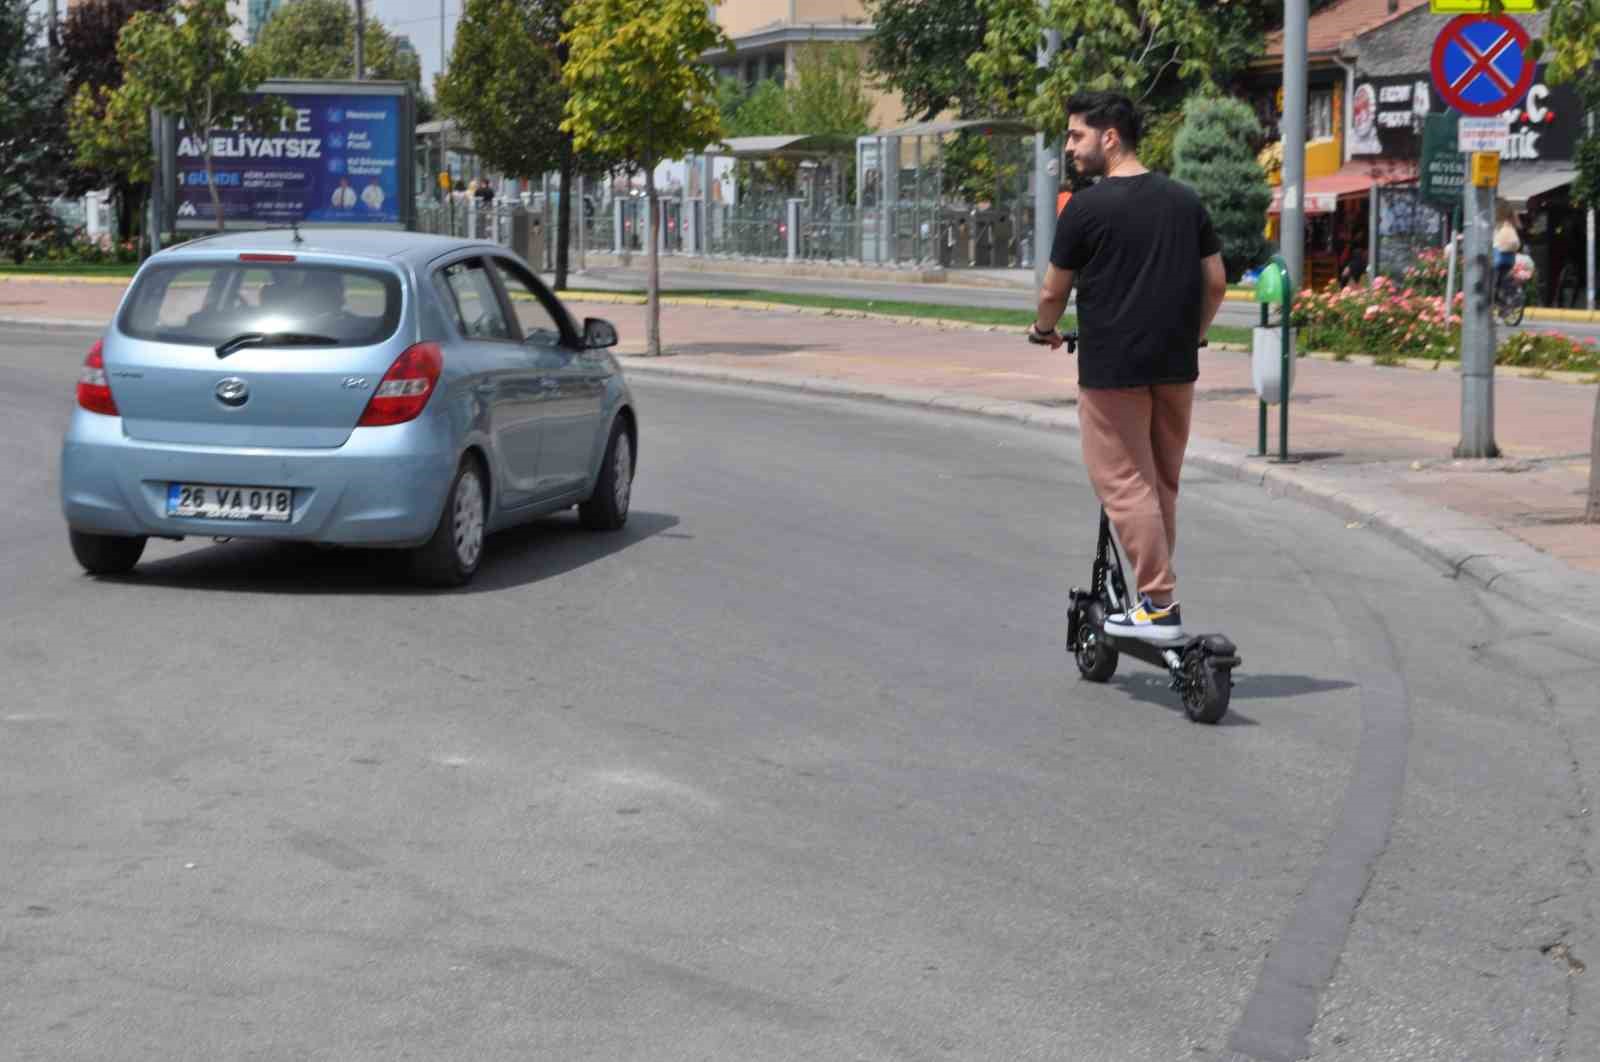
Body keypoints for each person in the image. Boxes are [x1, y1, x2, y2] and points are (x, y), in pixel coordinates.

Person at [1028, 91, 1227, 642]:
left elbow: (1052, 293)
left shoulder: (1085, 209)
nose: (1069, 147)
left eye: (1076, 136)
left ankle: (1159, 603)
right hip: (1176, 363)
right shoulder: (1185, 201)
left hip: (1113, 366)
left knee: (1121, 482)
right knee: (1161, 483)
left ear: (1109, 137)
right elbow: (1215, 283)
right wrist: (1196, 335)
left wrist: (1043, 331)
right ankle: (1152, 596)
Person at [1493, 207, 1521, 299]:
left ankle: (1496, 296)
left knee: (1494, 281)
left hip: (1498, 256)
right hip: (1510, 258)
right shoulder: (1511, 224)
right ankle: (1504, 298)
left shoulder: (1498, 224)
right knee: (1504, 279)